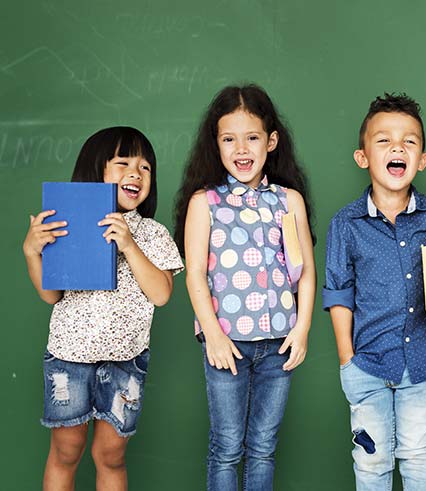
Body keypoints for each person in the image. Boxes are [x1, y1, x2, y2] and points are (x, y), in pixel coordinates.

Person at [322, 93, 426, 490]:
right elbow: (338, 292)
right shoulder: (346, 224)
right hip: (366, 365)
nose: (397, 148)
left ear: (422, 159)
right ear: (363, 158)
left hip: (423, 364)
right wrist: (346, 359)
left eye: (409, 141)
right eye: (384, 140)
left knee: (419, 453)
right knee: (371, 461)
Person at [23, 126, 184, 490]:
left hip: (125, 360)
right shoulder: (69, 226)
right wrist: (32, 252)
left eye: (145, 167)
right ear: (96, 170)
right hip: (69, 357)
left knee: (111, 455)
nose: (136, 173)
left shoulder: (153, 233)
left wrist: (129, 245)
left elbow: (161, 294)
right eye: (123, 163)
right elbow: (51, 295)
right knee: (66, 451)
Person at [173, 84, 316, 491]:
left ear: (271, 141)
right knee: (226, 446)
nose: (241, 149)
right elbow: (194, 274)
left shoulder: (289, 200)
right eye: (229, 139)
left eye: (252, 137)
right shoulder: (205, 202)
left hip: (279, 344)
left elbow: (306, 270)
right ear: (215, 144)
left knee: (263, 447)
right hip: (227, 345)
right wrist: (213, 335)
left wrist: (302, 328)